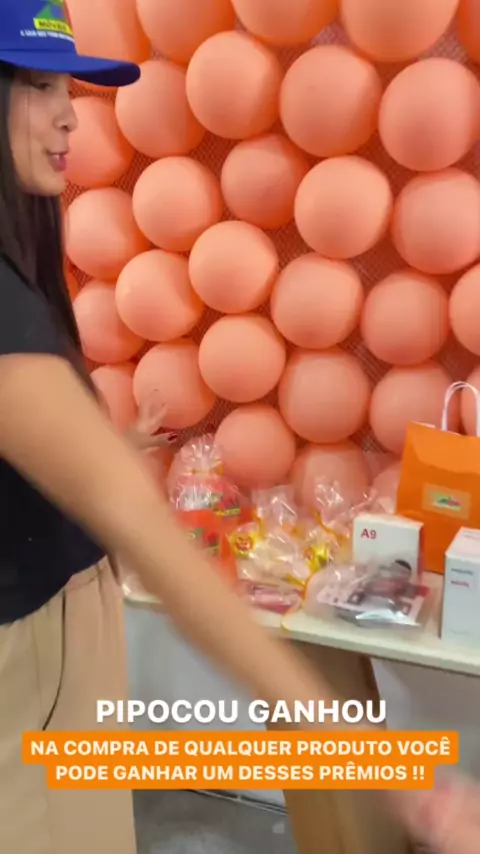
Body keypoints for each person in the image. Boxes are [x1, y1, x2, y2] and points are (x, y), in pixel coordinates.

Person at [0, 1, 478, 852]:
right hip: (30, 648)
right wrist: (371, 759)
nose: (71, 113)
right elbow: (149, 540)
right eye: (38, 87)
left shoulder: (24, 270)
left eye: (69, 87)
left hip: (62, 622)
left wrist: (109, 447)